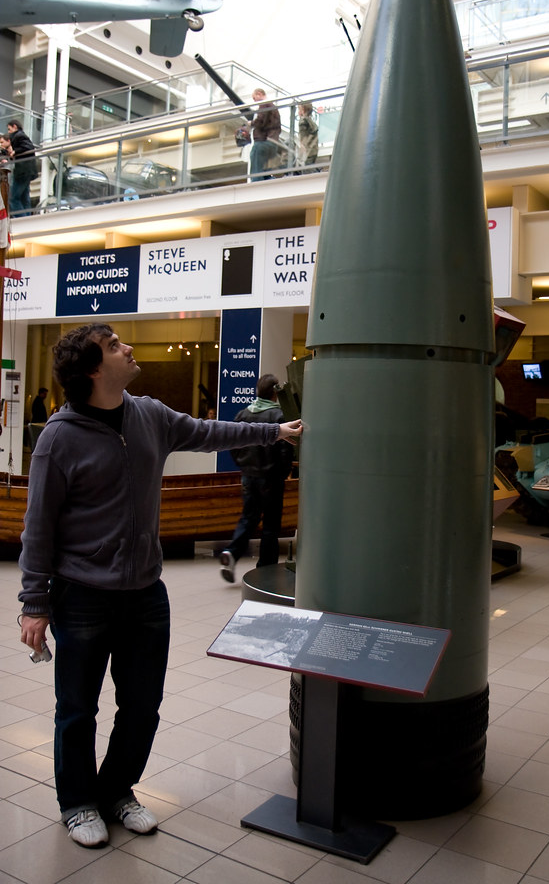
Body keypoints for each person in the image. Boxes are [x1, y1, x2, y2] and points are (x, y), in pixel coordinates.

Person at [17, 323, 302, 849]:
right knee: (78, 709)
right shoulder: (59, 438)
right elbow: (38, 527)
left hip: (145, 591)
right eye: (114, 346)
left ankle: (117, 791)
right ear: (94, 370)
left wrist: (273, 431)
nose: (128, 348)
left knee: (143, 705)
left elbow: (206, 431)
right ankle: (78, 803)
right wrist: (34, 604)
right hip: (81, 595)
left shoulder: (148, 413)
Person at [220, 373, 294, 582]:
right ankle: (265, 569)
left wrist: (242, 465)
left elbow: (233, 442)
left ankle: (232, 552)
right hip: (271, 478)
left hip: (248, 476)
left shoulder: (244, 414)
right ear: (275, 393)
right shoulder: (278, 416)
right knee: (270, 524)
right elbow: (285, 449)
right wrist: (283, 471)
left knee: (248, 517)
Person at [7, 119, 37, 216]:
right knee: (24, 198)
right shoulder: (19, 136)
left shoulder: (19, 135)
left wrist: (15, 152)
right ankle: (27, 218)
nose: (8, 131)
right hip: (26, 170)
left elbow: (29, 147)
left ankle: (22, 218)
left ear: (15, 126)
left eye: (9, 129)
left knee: (13, 198)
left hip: (23, 171)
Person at [249, 88, 281, 180]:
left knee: (256, 171)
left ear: (259, 94)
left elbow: (261, 120)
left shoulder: (264, 104)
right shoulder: (274, 108)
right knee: (266, 173)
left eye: (254, 98)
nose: (254, 101)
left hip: (262, 142)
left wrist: (251, 123)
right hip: (273, 143)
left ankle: (255, 190)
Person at [296, 102, 319, 171]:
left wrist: (302, 146)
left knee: (307, 169)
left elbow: (303, 136)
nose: (298, 112)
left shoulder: (303, 121)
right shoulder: (312, 122)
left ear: (302, 110)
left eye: (298, 109)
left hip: (308, 150)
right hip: (314, 149)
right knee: (310, 166)